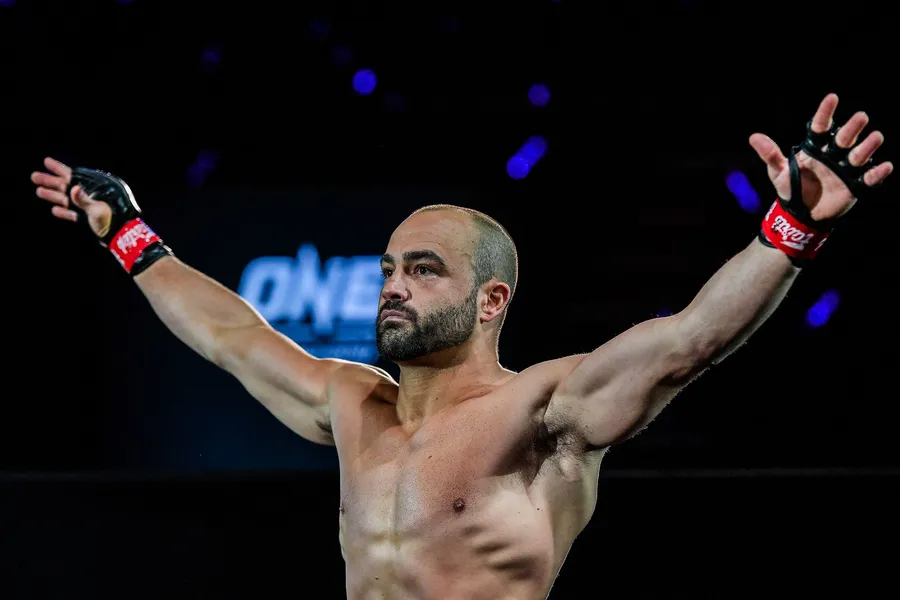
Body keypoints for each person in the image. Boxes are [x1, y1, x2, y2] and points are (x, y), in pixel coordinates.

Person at [31, 93, 891, 599]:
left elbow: (690, 340)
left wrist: (790, 231)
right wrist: (129, 234)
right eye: (388, 269)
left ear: (491, 301)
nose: (393, 286)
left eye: (423, 270)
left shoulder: (542, 410)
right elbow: (230, 336)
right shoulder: (351, 402)